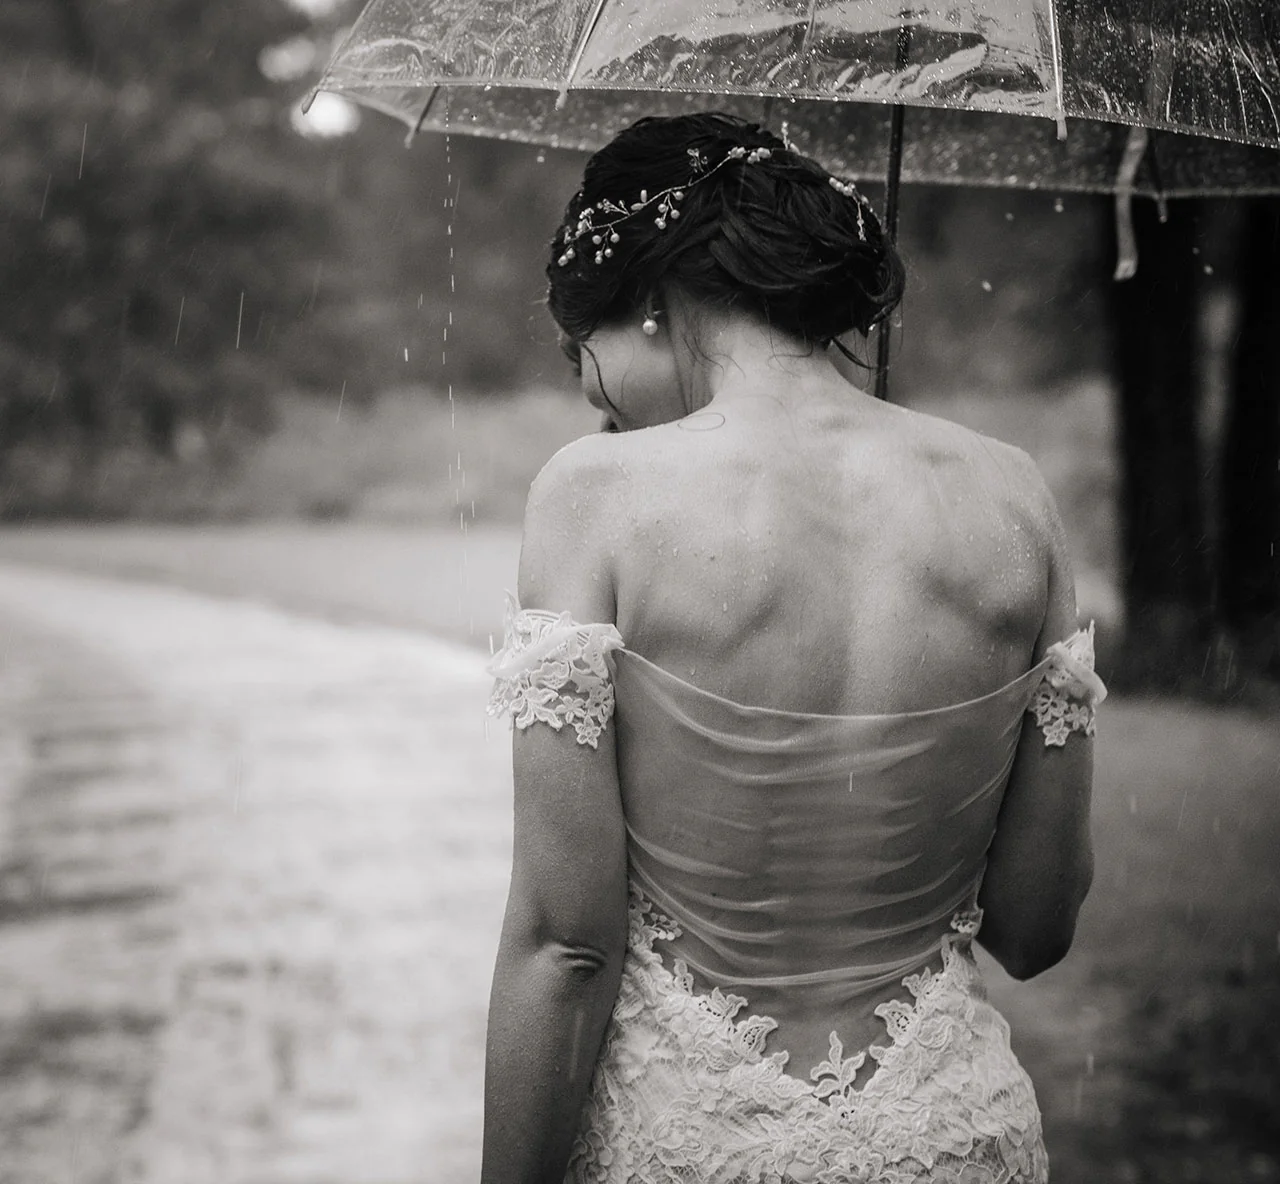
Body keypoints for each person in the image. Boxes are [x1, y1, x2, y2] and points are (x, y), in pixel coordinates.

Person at [480, 112, 1105, 1184]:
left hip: (693, 1146)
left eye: (588, 365)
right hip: (952, 1139)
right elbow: (1034, 926)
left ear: (646, 301)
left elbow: (565, 945)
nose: (600, 406)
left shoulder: (596, 496)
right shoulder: (1013, 495)